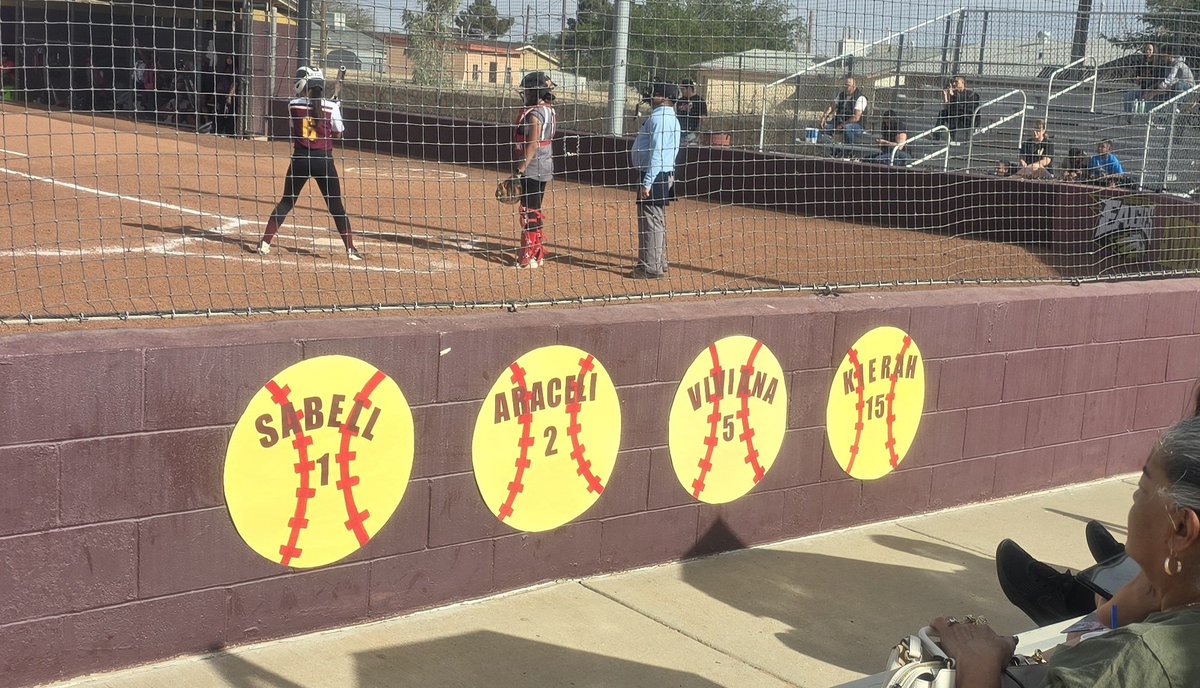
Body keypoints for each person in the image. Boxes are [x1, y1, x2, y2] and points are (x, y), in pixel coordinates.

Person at [933, 414, 1200, 687]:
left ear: (1181, 529)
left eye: (1143, 489)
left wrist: (978, 661)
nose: (1133, 498)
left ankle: (1062, 600)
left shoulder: (1135, 658)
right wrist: (1120, 609)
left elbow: (1097, 653)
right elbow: (1097, 627)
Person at [255, 67, 361, 261]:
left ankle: (264, 244)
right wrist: (332, 111)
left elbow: (306, 130)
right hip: (323, 161)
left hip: (301, 159)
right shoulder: (331, 107)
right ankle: (351, 250)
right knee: (336, 206)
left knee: (287, 201)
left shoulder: (293, 105)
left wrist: (323, 113)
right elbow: (338, 134)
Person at [629, 80, 681, 279]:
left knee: (650, 221)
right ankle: (658, 262)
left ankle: (650, 268)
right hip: (661, 173)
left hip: (655, 174)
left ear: (664, 98)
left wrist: (647, 181)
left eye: (655, 93)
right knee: (654, 219)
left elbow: (658, 152)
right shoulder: (667, 117)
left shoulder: (661, 119)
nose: (651, 96)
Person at [511, 70, 556, 269]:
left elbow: (532, 144)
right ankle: (537, 254)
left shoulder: (535, 114)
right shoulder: (549, 110)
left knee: (528, 210)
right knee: (534, 210)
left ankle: (527, 257)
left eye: (529, 90)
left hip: (533, 166)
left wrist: (519, 170)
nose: (526, 94)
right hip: (545, 165)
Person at [820, 76, 867, 144]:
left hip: (856, 124)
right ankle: (832, 150)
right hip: (840, 120)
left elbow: (856, 117)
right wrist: (824, 117)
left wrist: (842, 125)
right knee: (826, 127)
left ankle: (848, 151)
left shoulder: (860, 98)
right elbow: (832, 106)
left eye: (847, 85)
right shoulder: (841, 95)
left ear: (853, 86)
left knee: (847, 128)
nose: (845, 87)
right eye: (844, 85)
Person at [1124, 43, 1167, 117]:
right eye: (1146, 49)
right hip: (1143, 89)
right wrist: (1138, 79)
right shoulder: (1141, 63)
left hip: (1154, 91)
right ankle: (1128, 116)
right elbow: (1137, 82)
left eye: (1150, 50)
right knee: (1128, 96)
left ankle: (1147, 118)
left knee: (1148, 100)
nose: (1148, 51)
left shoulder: (1159, 64)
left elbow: (1159, 80)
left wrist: (1146, 78)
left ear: (1154, 51)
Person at [936, 75, 980, 142]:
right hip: (956, 117)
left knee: (954, 115)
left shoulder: (971, 95)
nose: (954, 84)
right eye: (953, 82)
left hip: (967, 119)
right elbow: (947, 108)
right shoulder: (955, 93)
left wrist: (953, 96)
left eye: (956, 82)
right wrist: (945, 95)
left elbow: (961, 108)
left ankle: (951, 139)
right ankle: (936, 136)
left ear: (962, 83)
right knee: (943, 113)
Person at [675, 79, 708, 146]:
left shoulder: (699, 101)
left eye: (683, 89)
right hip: (680, 133)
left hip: (693, 135)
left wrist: (697, 134)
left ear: (689, 89)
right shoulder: (680, 101)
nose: (681, 91)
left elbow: (704, 119)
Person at [214, 55, 238, 135]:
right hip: (222, 95)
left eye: (230, 58)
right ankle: (219, 130)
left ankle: (229, 132)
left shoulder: (234, 70)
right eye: (227, 58)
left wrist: (230, 96)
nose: (228, 60)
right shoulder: (225, 69)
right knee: (221, 113)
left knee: (229, 114)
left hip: (229, 96)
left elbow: (234, 83)